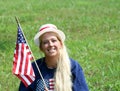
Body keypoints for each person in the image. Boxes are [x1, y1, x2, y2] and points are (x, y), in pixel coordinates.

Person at [19, 24, 89, 91]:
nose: (50, 44)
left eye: (53, 40)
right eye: (45, 42)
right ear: (41, 47)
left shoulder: (73, 66)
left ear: (60, 43)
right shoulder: (34, 68)